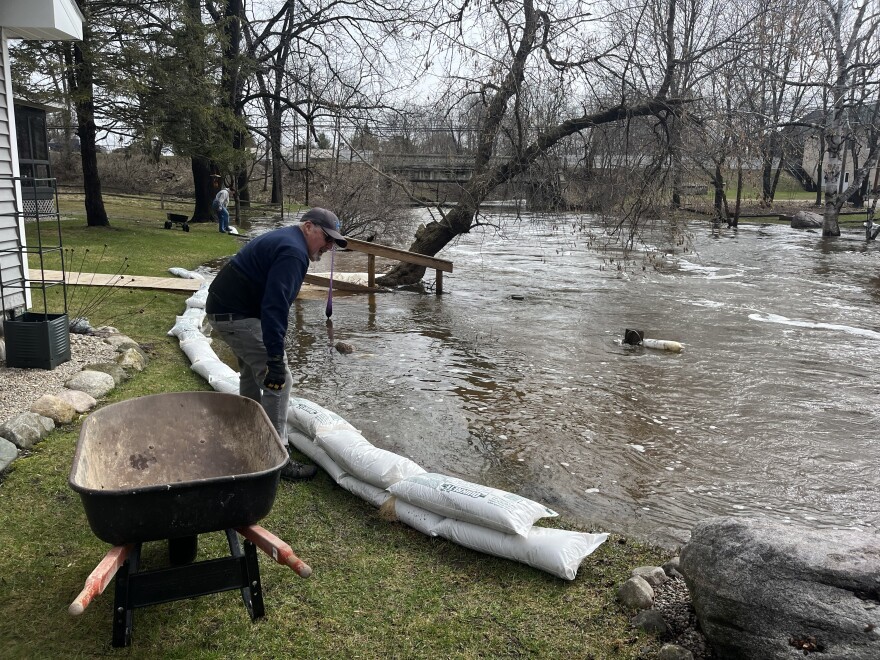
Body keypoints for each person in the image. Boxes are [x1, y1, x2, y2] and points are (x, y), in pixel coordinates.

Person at [205, 208, 347, 481]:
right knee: (279, 381)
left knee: (250, 373)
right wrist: (274, 358)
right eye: (326, 238)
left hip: (225, 309)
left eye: (333, 242)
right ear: (308, 227)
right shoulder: (293, 252)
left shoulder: (288, 240)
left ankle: (246, 432)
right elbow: (275, 307)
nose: (328, 246)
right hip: (236, 315)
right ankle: (276, 457)